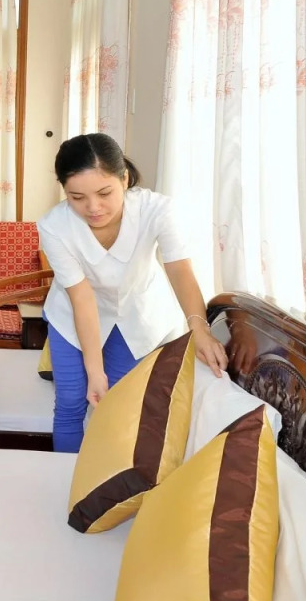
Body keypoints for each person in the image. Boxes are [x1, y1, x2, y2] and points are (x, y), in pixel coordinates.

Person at [37, 133, 228, 453]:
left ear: (124, 179)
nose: (93, 208)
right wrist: (93, 370)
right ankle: (66, 479)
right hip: (72, 315)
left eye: (104, 193)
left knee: (114, 405)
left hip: (136, 314)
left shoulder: (157, 210)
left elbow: (179, 269)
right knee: (70, 402)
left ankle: (101, 480)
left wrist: (200, 329)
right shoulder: (54, 225)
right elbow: (81, 298)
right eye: (77, 197)